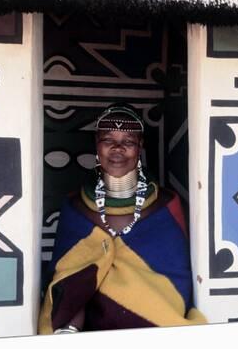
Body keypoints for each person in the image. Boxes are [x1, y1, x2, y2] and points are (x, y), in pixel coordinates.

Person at [38, 103, 206, 334]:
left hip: (160, 330)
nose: (117, 149)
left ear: (140, 146)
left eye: (128, 141)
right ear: (96, 145)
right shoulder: (76, 207)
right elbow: (67, 281)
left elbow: (176, 279)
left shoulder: (165, 205)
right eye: (108, 140)